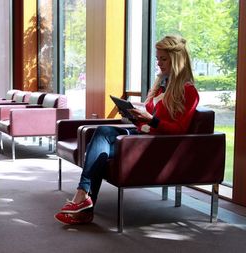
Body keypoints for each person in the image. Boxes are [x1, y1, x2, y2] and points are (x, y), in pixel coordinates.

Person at [54, 35, 200, 225]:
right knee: (102, 136)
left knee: (102, 141)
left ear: (177, 59)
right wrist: (136, 117)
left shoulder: (189, 92)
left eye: (163, 59)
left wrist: (152, 121)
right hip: (143, 137)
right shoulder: (161, 86)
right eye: (158, 59)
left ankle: (83, 202)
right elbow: (147, 123)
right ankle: (83, 202)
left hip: (157, 146)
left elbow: (180, 130)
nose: (159, 63)